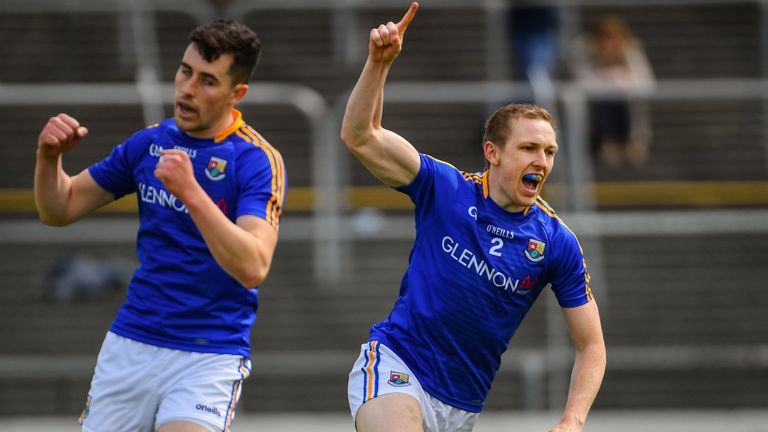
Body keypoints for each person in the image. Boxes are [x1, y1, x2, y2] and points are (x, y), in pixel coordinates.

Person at [341, 3, 605, 432]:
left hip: (462, 405)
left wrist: (572, 420)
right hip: (396, 365)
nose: (541, 161)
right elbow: (360, 136)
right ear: (492, 152)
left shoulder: (556, 242)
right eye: (528, 148)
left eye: (549, 151)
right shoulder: (445, 188)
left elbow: (591, 345)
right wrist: (379, 63)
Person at [34, 19, 286, 432]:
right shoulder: (148, 143)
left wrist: (191, 193)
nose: (188, 88)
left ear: (236, 94)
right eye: (185, 72)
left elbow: (253, 265)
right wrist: (49, 157)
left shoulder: (256, 159)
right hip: (131, 344)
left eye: (207, 81)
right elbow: (59, 208)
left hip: (209, 354)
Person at [570, 15, 656, 168]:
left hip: (629, 111)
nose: (609, 46)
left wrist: (617, 79)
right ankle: (608, 145)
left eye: (613, 40)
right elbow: (583, 84)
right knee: (605, 101)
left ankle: (630, 144)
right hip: (595, 116)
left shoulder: (631, 53)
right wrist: (613, 77)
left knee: (621, 100)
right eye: (605, 40)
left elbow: (647, 85)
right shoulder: (583, 52)